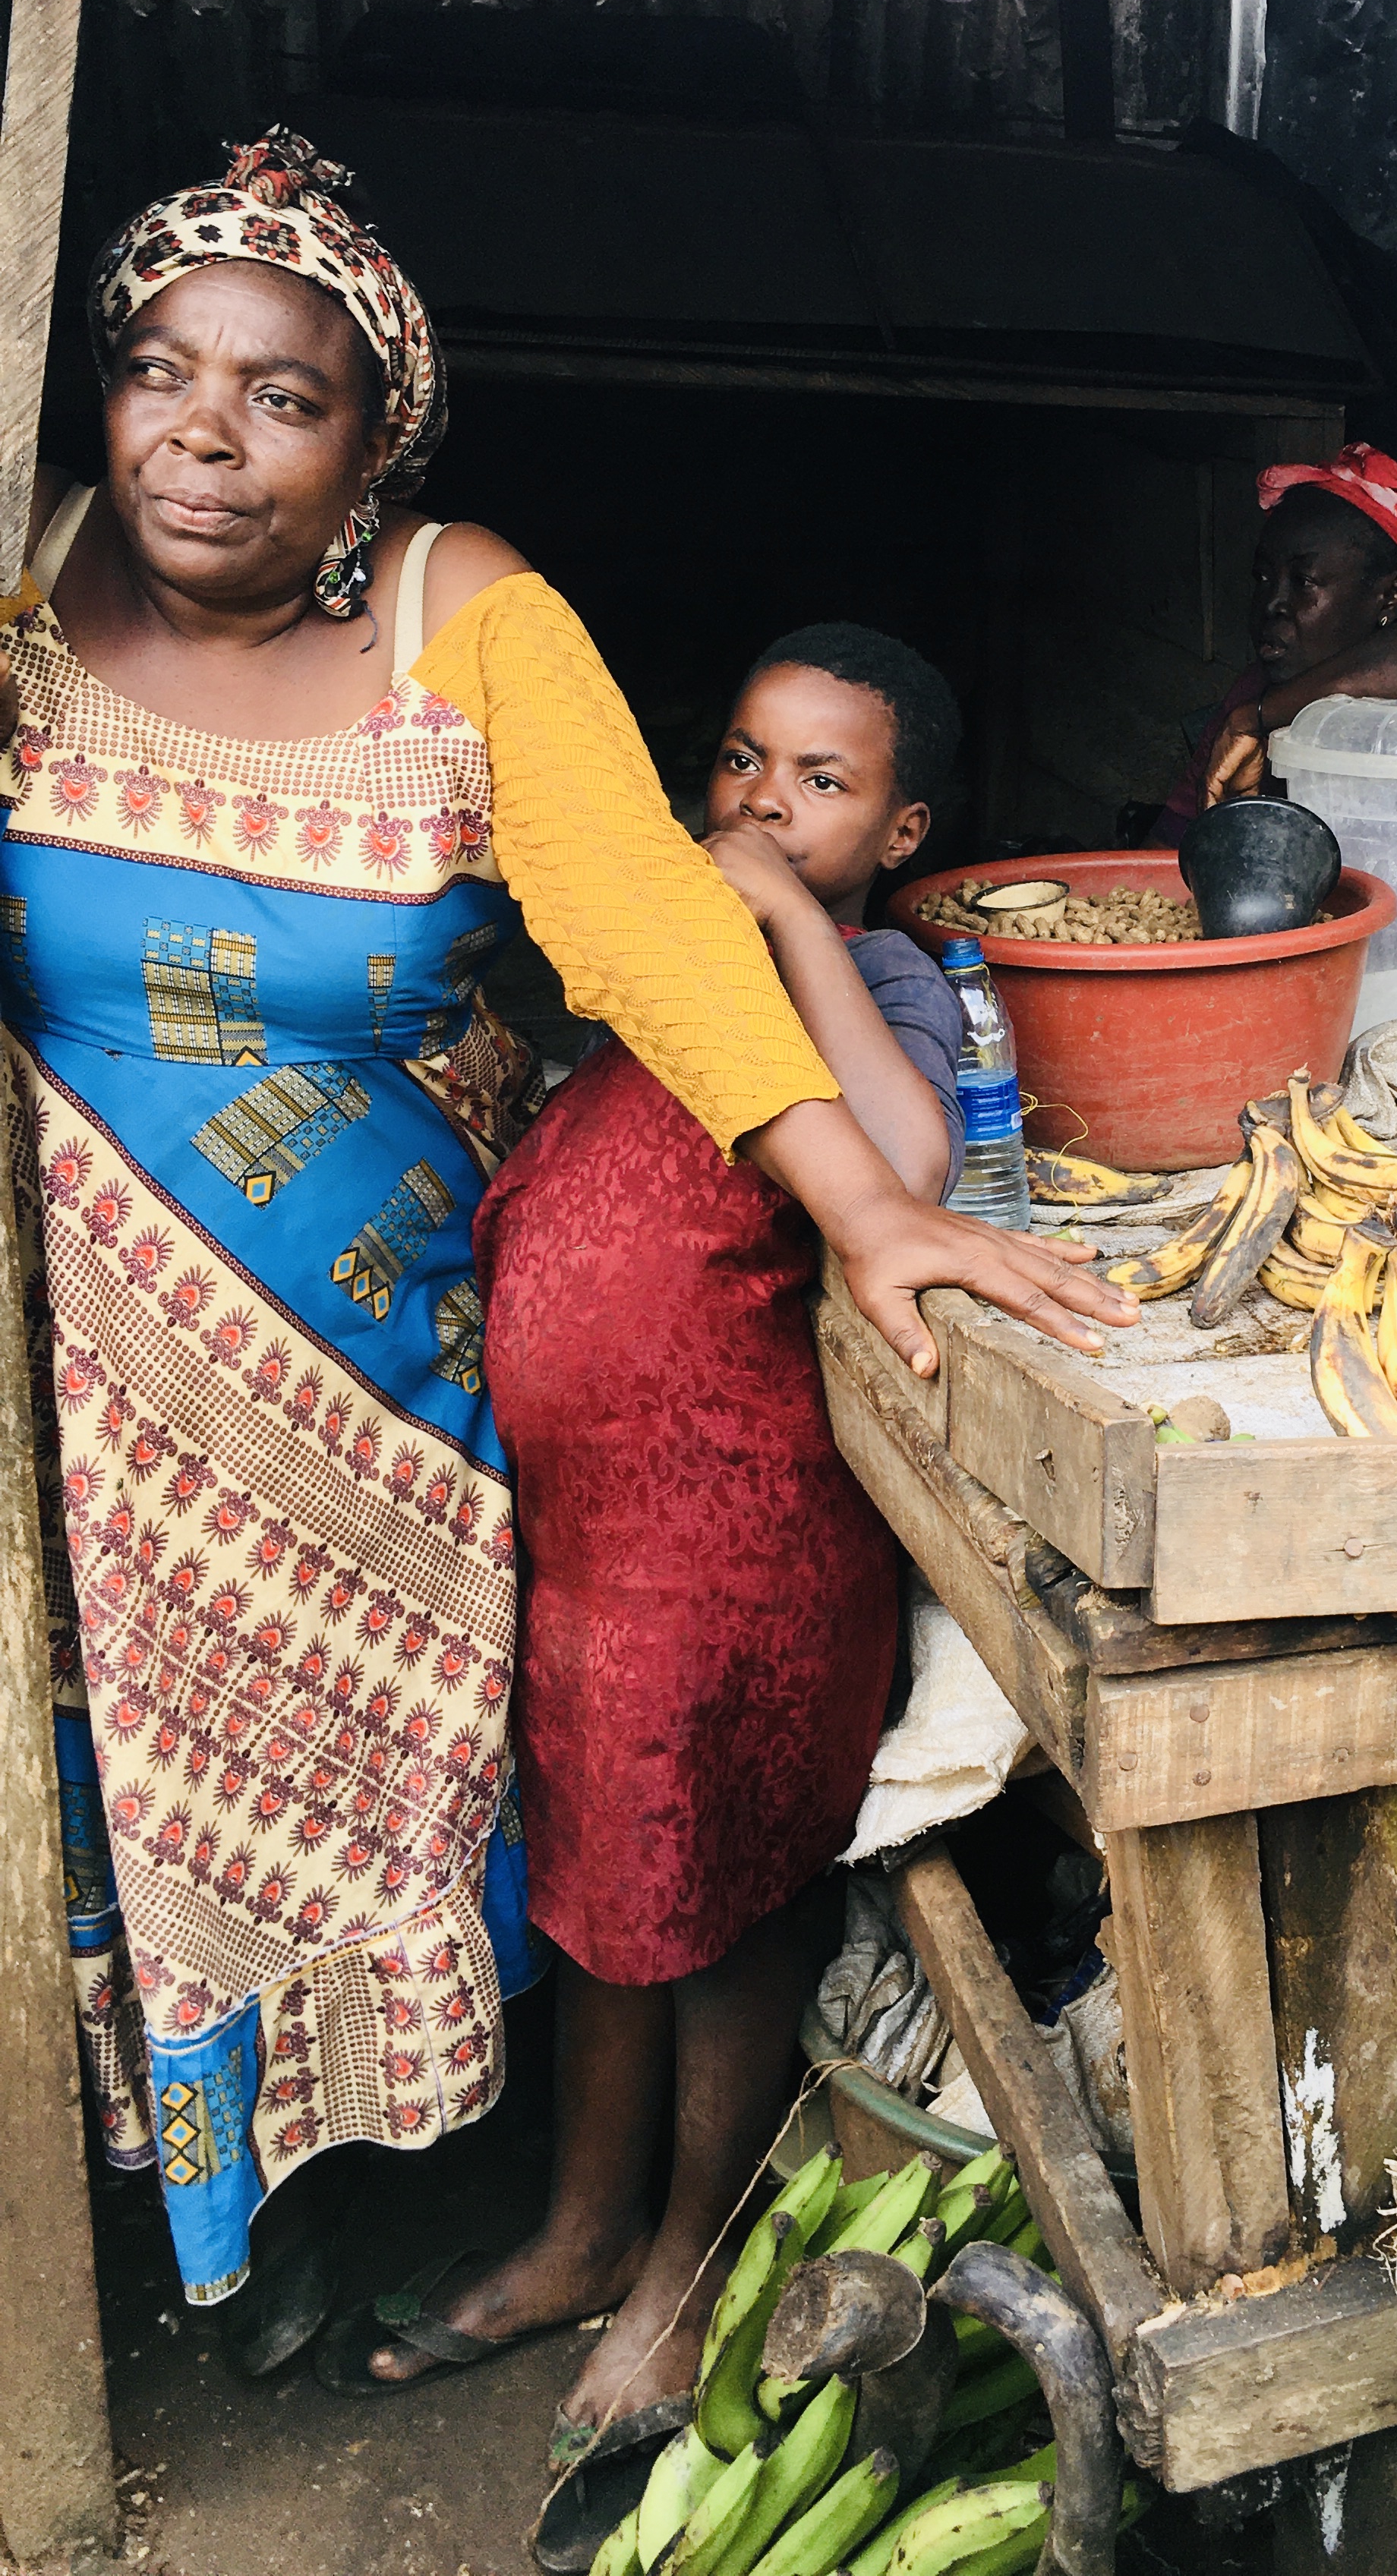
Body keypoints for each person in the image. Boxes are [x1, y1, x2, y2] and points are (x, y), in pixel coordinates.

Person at [5, 130, 1127, 2372]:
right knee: (129, 1823)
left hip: (393, 1404)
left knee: (409, 1804)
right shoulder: (27, 595)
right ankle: (229, 2244)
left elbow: (641, 914)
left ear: (375, 450)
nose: (205, 436)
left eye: (285, 398)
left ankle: (427, 2195)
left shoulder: (471, 621)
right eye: (156, 372)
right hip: (94, 1398)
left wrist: (868, 1202)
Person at [326, 630, 969, 2497]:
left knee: (728, 1913)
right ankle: (576, 2232)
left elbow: (908, 1158)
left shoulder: (891, 981)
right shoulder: (642, 978)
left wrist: (787, 926)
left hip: (749, 1560)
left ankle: (679, 2271)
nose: (763, 806)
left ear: (900, 827)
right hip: (592, 1559)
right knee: (601, 1905)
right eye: (744, 766)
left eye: (821, 785)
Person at [1149, 443, 1397, 842]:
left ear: (1390, 597)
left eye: (1303, 582)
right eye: (1263, 579)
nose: (1273, 604)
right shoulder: (1253, 689)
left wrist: (1257, 718)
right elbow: (1167, 849)